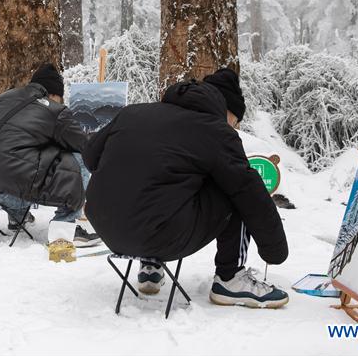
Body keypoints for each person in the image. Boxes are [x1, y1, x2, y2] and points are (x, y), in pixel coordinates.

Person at [83, 68, 289, 308]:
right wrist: (274, 251)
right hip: (160, 234)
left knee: (165, 181)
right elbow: (249, 191)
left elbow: (90, 157)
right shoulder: (215, 130)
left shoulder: (133, 113)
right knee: (234, 186)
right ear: (226, 111)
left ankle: (151, 264)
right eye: (235, 121)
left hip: (105, 227)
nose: (235, 127)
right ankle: (230, 277)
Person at [0, 63, 100, 255]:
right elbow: (83, 144)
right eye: (60, 97)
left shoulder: (5, 98)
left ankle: (17, 218)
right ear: (54, 94)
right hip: (14, 191)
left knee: (14, 156)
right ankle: (64, 230)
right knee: (77, 158)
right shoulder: (54, 110)